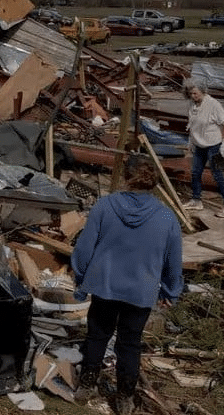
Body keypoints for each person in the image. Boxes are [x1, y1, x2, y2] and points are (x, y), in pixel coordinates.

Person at [71, 156, 183, 414]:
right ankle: (124, 397)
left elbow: (85, 247)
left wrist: (81, 277)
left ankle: (86, 385)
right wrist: (170, 291)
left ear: (125, 178)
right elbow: (173, 261)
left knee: (97, 335)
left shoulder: (105, 206)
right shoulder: (167, 218)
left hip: (104, 285)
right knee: (129, 343)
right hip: (141, 291)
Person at [182, 79, 224, 218]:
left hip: (214, 144)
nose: (193, 96)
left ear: (203, 92)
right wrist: (191, 142)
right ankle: (196, 200)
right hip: (199, 144)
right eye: (190, 94)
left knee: (217, 174)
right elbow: (192, 123)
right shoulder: (192, 105)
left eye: (195, 93)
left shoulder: (213, 104)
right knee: (195, 172)